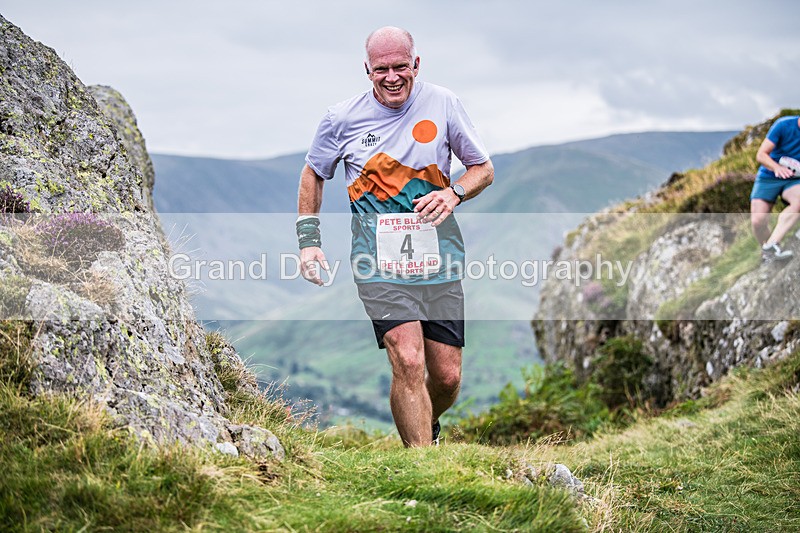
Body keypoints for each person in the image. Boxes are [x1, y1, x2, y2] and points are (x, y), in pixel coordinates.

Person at [296, 26, 493, 447]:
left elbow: (483, 168)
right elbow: (314, 171)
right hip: (377, 262)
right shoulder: (341, 118)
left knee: (446, 377)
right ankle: (422, 469)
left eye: (401, 67)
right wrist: (308, 239)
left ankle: (424, 423)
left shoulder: (443, 103)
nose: (392, 77)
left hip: (438, 257)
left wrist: (454, 192)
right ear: (367, 70)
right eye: (382, 69)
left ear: (416, 65)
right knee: (407, 359)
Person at [751, 115, 800, 262]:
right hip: (769, 175)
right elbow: (761, 155)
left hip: (795, 179)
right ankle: (768, 252)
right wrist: (777, 168)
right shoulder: (784, 125)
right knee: (758, 221)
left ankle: (772, 246)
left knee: (799, 202)